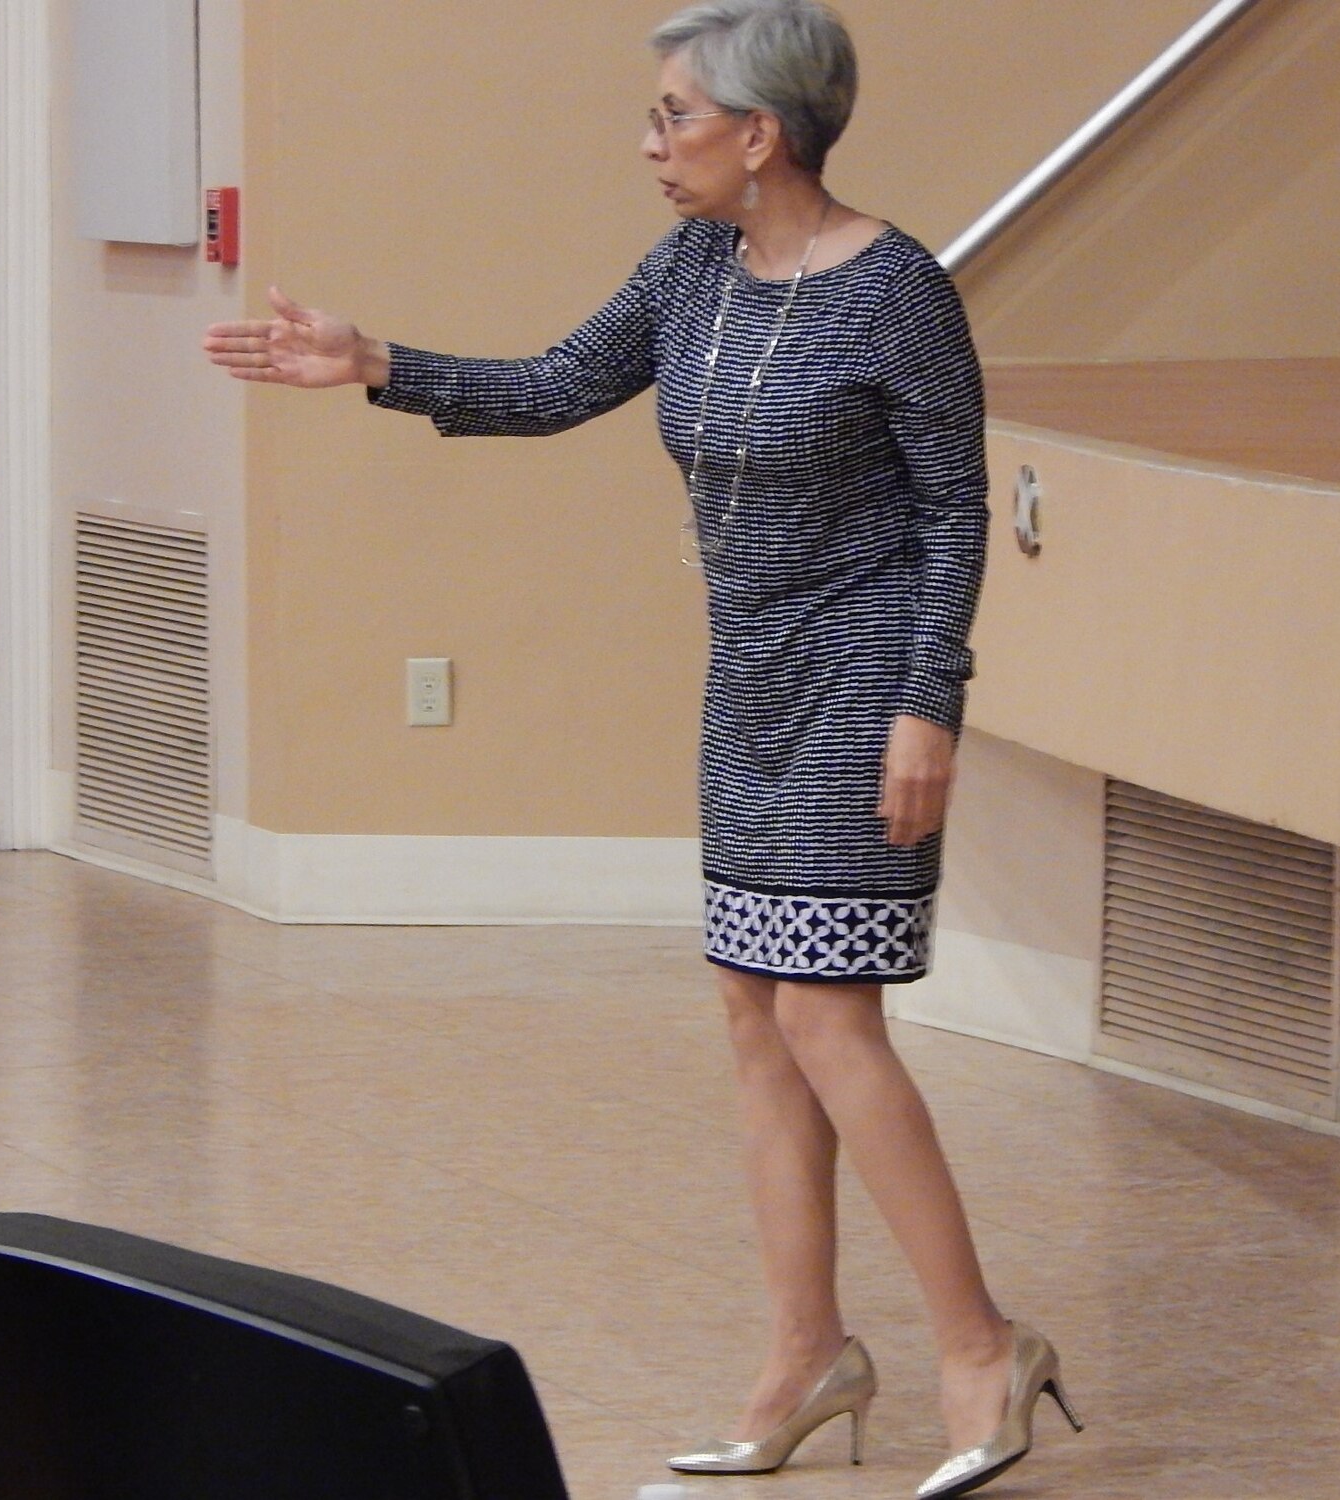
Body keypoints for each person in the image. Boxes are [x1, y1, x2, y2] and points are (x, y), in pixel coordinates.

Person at [203, 3, 1080, 1494]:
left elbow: (951, 511)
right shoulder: (691, 268)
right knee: (753, 1009)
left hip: (868, 678)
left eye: (674, 115)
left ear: (764, 133)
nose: (651, 142)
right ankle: (807, 1356)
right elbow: (555, 386)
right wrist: (374, 362)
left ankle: (984, 1350)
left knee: (824, 1014)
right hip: (749, 677)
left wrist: (933, 701)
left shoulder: (900, 292)